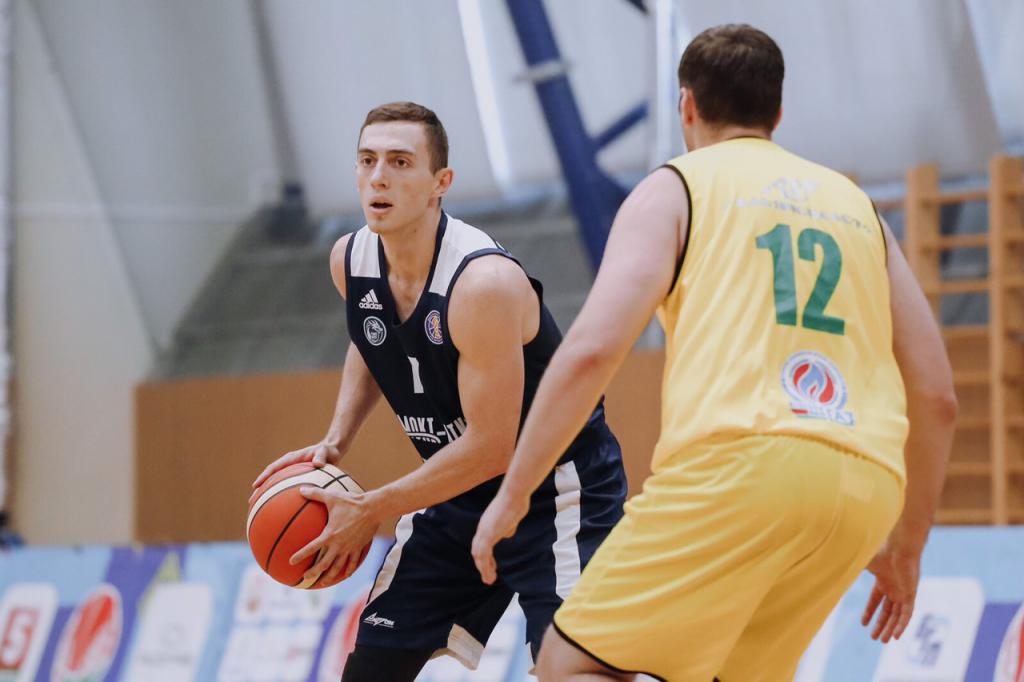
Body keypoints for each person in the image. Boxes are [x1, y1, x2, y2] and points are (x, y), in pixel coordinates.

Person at [472, 24, 956, 682]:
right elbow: (937, 396)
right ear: (777, 113)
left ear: (687, 106)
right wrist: (908, 544)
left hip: (740, 468)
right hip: (865, 488)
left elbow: (590, 352)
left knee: (569, 665)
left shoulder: (677, 187)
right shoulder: (859, 209)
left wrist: (513, 494)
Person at [250, 101, 627, 682]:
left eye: (400, 162)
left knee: (576, 672)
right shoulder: (350, 260)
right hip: (460, 491)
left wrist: (372, 509)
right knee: (372, 670)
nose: (379, 177)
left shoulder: (481, 286)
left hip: (557, 491)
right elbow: (371, 337)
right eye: (367, 160)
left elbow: (493, 447)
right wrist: (337, 438)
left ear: (440, 183)